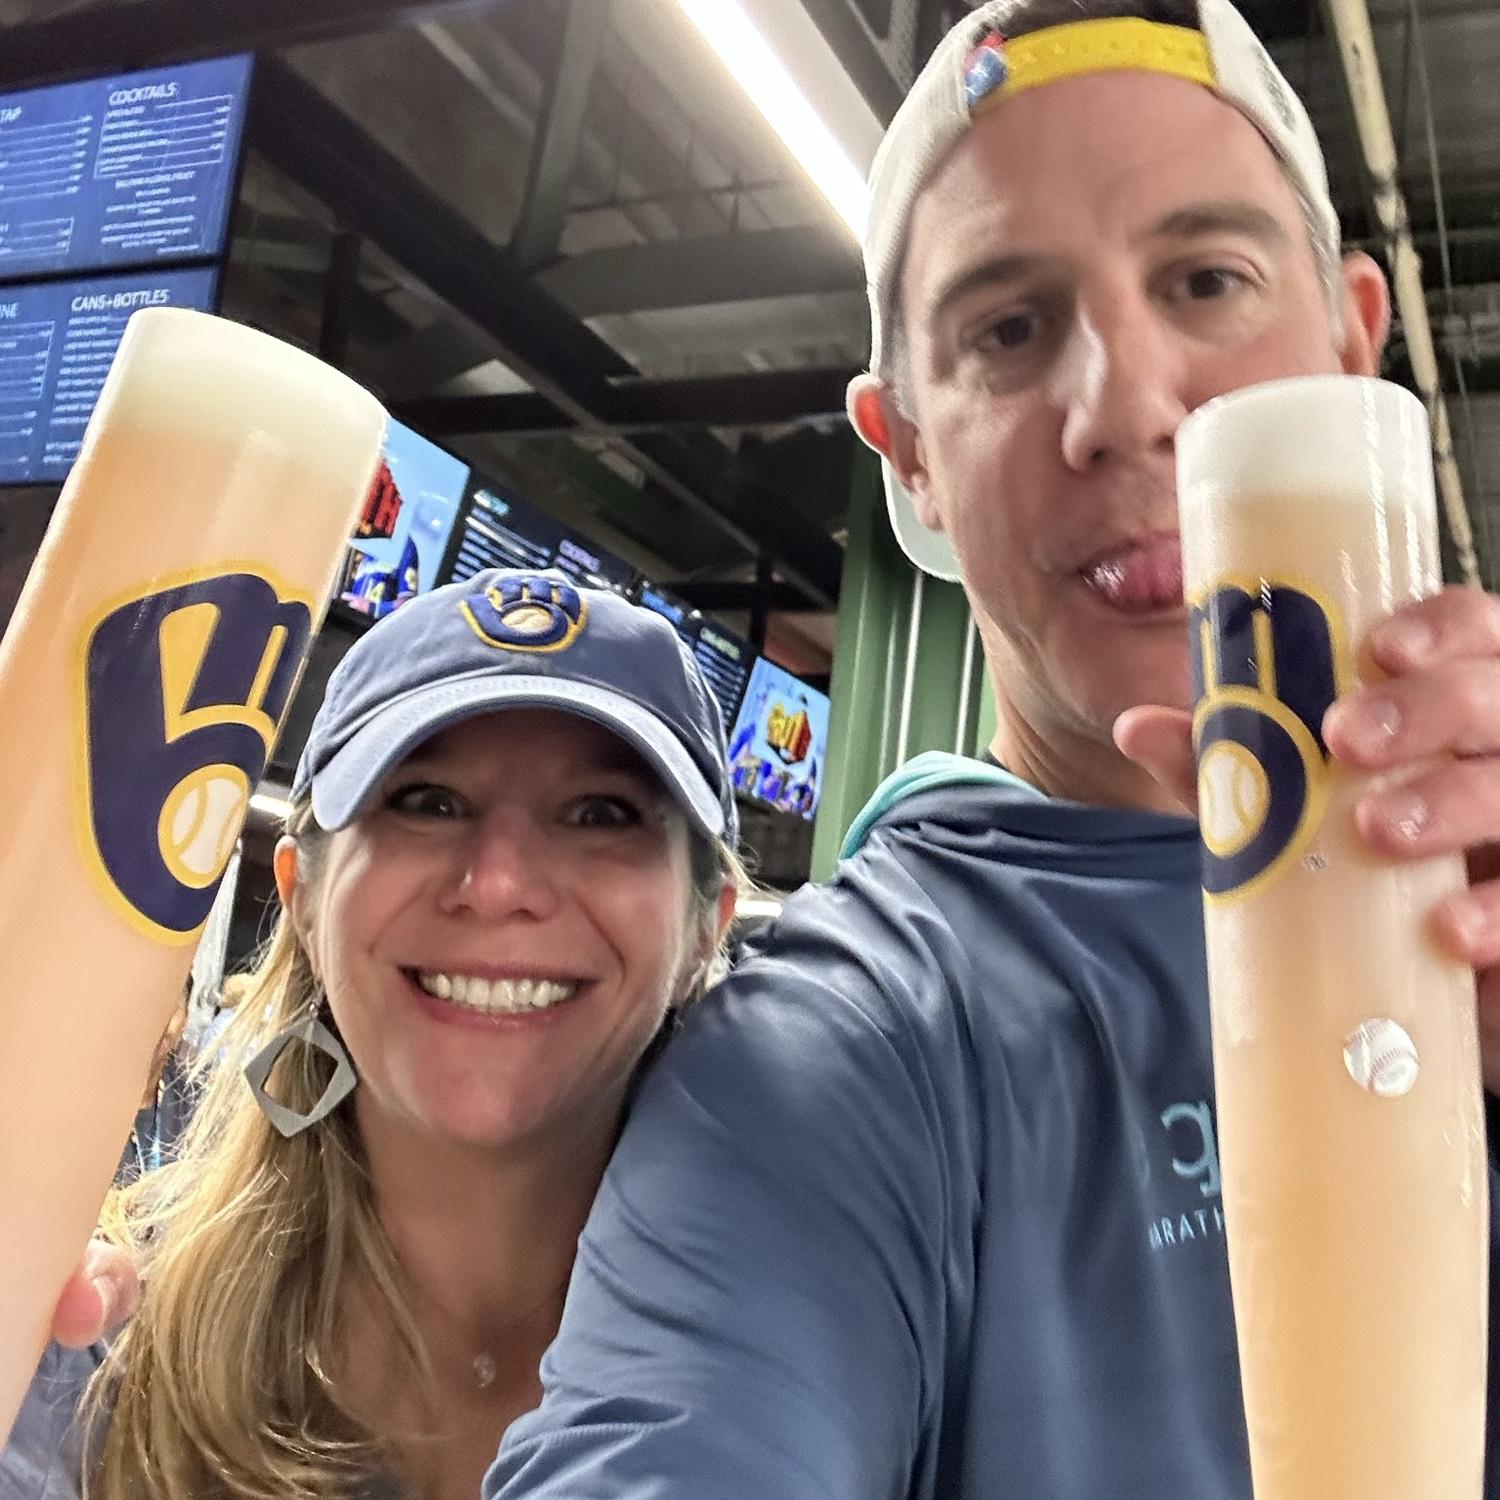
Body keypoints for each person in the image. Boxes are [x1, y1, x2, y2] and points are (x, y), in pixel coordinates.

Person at [486, 2, 1500, 1496]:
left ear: (1354, 339)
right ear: (909, 461)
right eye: (1010, 330)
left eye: (1208, 278)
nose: (1128, 405)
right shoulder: (841, 1052)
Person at [1, 567, 741, 1500]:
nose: (501, 881)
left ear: (705, 928)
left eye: (602, 813)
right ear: (302, 898)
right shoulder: (85, 1356)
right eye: (427, 801)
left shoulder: (831, 1374)